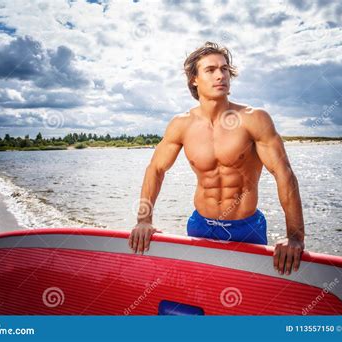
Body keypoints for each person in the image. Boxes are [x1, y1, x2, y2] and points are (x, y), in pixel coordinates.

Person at [129, 42, 305, 276]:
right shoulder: (181, 125)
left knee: (250, 296)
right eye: (210, 70)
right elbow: (156, 169)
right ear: (194, 79)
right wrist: (144, 220)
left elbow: (284, 175)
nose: (220, 75)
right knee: (200, 288)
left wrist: (294, 237)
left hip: (247, 228)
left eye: (224, 69)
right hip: (201, 225)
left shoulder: (254, 119)